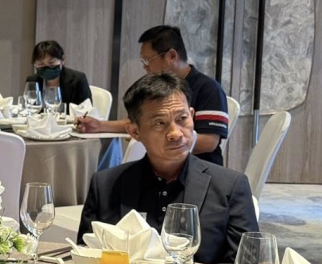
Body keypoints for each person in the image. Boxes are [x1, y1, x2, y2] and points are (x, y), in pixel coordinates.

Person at [78, 73, 258, 264]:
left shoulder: (230, 187)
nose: (175, 133)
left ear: (192, 116)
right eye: (160, 123)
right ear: (135, 132)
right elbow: (86, 258)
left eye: (182, 119)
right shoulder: (105, 185)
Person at [76, 25, 230, 165]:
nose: (145, 67)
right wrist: (100, 126)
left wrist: (156, 140)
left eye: (148, 60)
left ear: (172, 56)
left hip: (198, 168)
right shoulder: (157, 87)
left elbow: (209, 142)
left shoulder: (208, 89)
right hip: (160, 167)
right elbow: (140, 123)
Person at [24, 40, 92, 109]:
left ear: (63, 60)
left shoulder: (78, 79)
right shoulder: (32, 81)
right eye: (41, 64)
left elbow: (86, 110)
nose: (47, 67)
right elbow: (29, 108)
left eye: (51, 63)